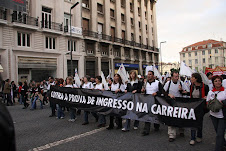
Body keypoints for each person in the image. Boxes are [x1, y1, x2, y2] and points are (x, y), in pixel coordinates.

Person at [163, 71, 188, 142]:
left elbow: (187, 91)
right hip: (171, 103)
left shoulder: (181, 83)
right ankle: (171, 135)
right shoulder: (168, 83)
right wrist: (168, 95)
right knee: (171, 118)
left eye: (178, 76)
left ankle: (181, 130)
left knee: (180, 117)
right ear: (172, 77)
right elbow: (163, 92)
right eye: (175, 76)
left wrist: (182, 90)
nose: (177, 78)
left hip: (180, 103)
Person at [140, 71, 163, 136]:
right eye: (148, 74)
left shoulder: (157, 83)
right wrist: (143, 91)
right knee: (147, 115)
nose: (149, 76)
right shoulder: (145, 83)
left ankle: (156, 125)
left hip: (155, 101)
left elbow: (162, 91)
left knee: (155, 114)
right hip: (147, 101)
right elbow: (143, 91)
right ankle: (146, 130)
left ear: (153, 75)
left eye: (150, 74)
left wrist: (157, 93)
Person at [206, 75, 226, 151]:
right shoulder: (210, 92)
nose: (218, 82)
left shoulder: (225, 91)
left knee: (219, 134)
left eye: (219, 81)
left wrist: (222, 102)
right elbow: (207, 102)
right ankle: (224, 144)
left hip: (222, 116)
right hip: (213, 115)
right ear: (213, 83)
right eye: (216, 81)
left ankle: (218, 149)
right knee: (218, 133)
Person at [189, 73, 209, 145]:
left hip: (201, 107)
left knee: (199, 122)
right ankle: (192, 138)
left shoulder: (205, 87)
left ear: (196, 78)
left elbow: (208, 95)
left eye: (192, 77)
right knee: (193, 122)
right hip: (193, 107)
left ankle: (199, 136)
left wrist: (206, 98)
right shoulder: (192, 86)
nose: (191, 79)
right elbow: (191, 95)